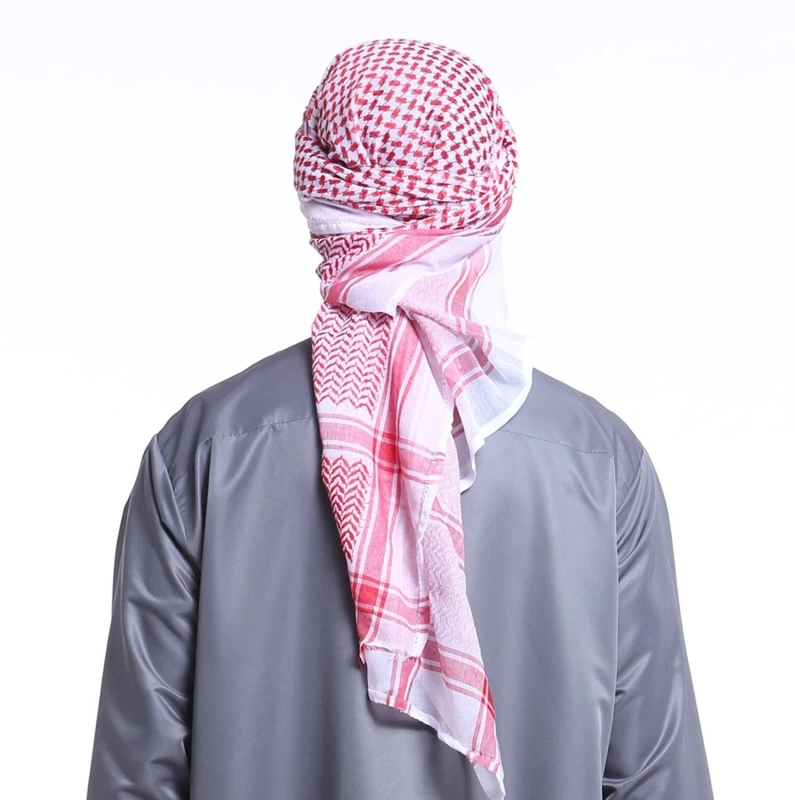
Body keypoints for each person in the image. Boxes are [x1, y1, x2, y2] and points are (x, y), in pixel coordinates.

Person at [86, 37, 714, 800]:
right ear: (488, 203)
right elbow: (656, 783)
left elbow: (133, 780)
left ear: (322, 203)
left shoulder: (203, 453)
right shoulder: (602, 465)